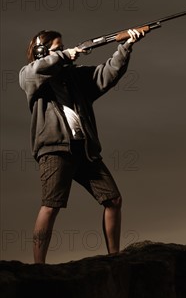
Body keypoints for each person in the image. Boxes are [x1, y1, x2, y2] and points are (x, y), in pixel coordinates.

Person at [19, 27, 145, 264]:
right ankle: (38, 266)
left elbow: (107, 74)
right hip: (55, 149)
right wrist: (66, 55)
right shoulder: (31, 77)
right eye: (57, 49)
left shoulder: (75, 77)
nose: (64, 51)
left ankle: (114, 258)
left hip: (84, 148)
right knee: (50, 206)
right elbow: (34, 72)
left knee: (113, 199)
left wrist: (126, 45)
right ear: (40, 52)